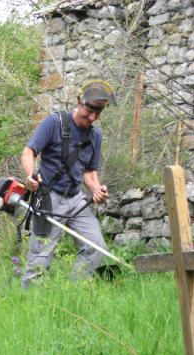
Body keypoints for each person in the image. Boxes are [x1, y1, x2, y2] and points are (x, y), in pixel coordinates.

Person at [20, 79, 116, 288]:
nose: (92, 117)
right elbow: (29, 151)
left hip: (76, 200)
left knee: (96, 247)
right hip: (49, 199)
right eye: (89, 110)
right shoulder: (54, 123)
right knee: (40, 258)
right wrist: (30, 176)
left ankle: (76, 292)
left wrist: (97, 190)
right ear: (79, 101)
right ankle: (30, 304)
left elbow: (89, 171)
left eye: (98, 112)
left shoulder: (95, 135)